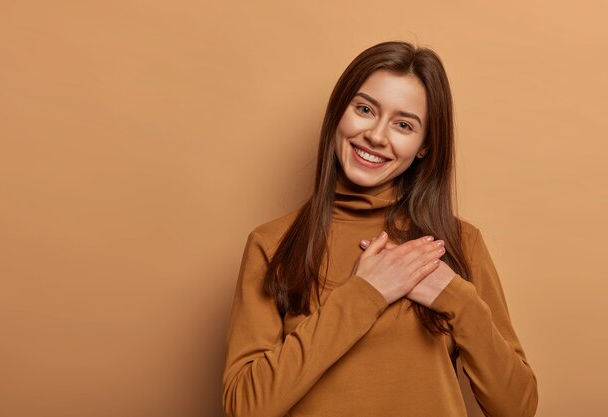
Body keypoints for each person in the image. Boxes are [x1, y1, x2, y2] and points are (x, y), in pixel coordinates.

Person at [222, 41, 538, 417]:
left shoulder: (457, 244)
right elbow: (245, 406)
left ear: (424, 146)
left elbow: (517, 407)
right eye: (365, 109)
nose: (376, 135)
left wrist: (457, 298)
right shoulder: (272, 243)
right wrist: (366, 292)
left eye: (404, 124)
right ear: (339, 112)